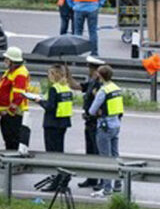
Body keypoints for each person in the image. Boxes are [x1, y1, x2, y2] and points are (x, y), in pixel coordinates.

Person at [87, 64, 123, 197]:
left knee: (105, 158)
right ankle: (118, 184)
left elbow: (91, 110)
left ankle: (107, 188)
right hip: (116, 124)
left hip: (104, 125)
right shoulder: (116, 88)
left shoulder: (103, 91)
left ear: (100, 76)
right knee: (115, 155)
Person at [0, 47, 31, 153]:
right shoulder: (12, 71)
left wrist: (9, 111)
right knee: (9, 140)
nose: (4, 61)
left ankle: (13, 163)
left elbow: (18, 95)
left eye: (7, 59)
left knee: (13, 141)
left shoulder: (20, 73)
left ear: (13, 61)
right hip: (8, 114)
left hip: (13, 114)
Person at [77, 56, 105, 189]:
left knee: (97, 151)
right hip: (89, 122)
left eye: (89, 68)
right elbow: (76, 86)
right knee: (90, 151)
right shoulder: (92, 82)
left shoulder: (100, 85)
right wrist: (68, 74)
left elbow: (101, 105)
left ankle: (101, 180)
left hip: (96, 122)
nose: (88, 70)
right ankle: (91, 178)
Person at [33, 65, 73, 157]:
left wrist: (39, 102)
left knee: (51, 150)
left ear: (54, 75)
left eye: (49, 74)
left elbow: (50, 107)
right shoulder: (66, 87)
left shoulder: (54, 89)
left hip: (52, 123)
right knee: (59, 148)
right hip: (63, 122)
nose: (48, 76)